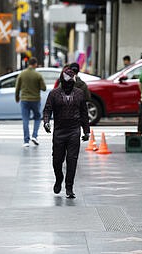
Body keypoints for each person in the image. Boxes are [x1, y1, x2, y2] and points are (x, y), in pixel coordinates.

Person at [43, 67, 90, 198]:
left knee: (72, 160)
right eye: (67, 83)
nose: (69, 85)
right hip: (59, 130)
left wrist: (86, 131)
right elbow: (47, 109)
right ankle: (59, 178)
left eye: (71, 83)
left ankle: (69, 187)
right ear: (62, 82)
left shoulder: (80, 93)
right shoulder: (54, 94)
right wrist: (46, 122)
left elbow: (84, 113)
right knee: (57, 160)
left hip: (74, 130)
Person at [15, 57, 46, 147]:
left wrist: (17, 97)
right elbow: (43, 88)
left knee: (25, 120)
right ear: (35, 64)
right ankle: (35, 136)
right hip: (35, 100)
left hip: (24, 100)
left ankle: (26, 141)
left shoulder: (22, 74)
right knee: (37, 118)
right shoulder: (38, 75)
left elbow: (17, 88)